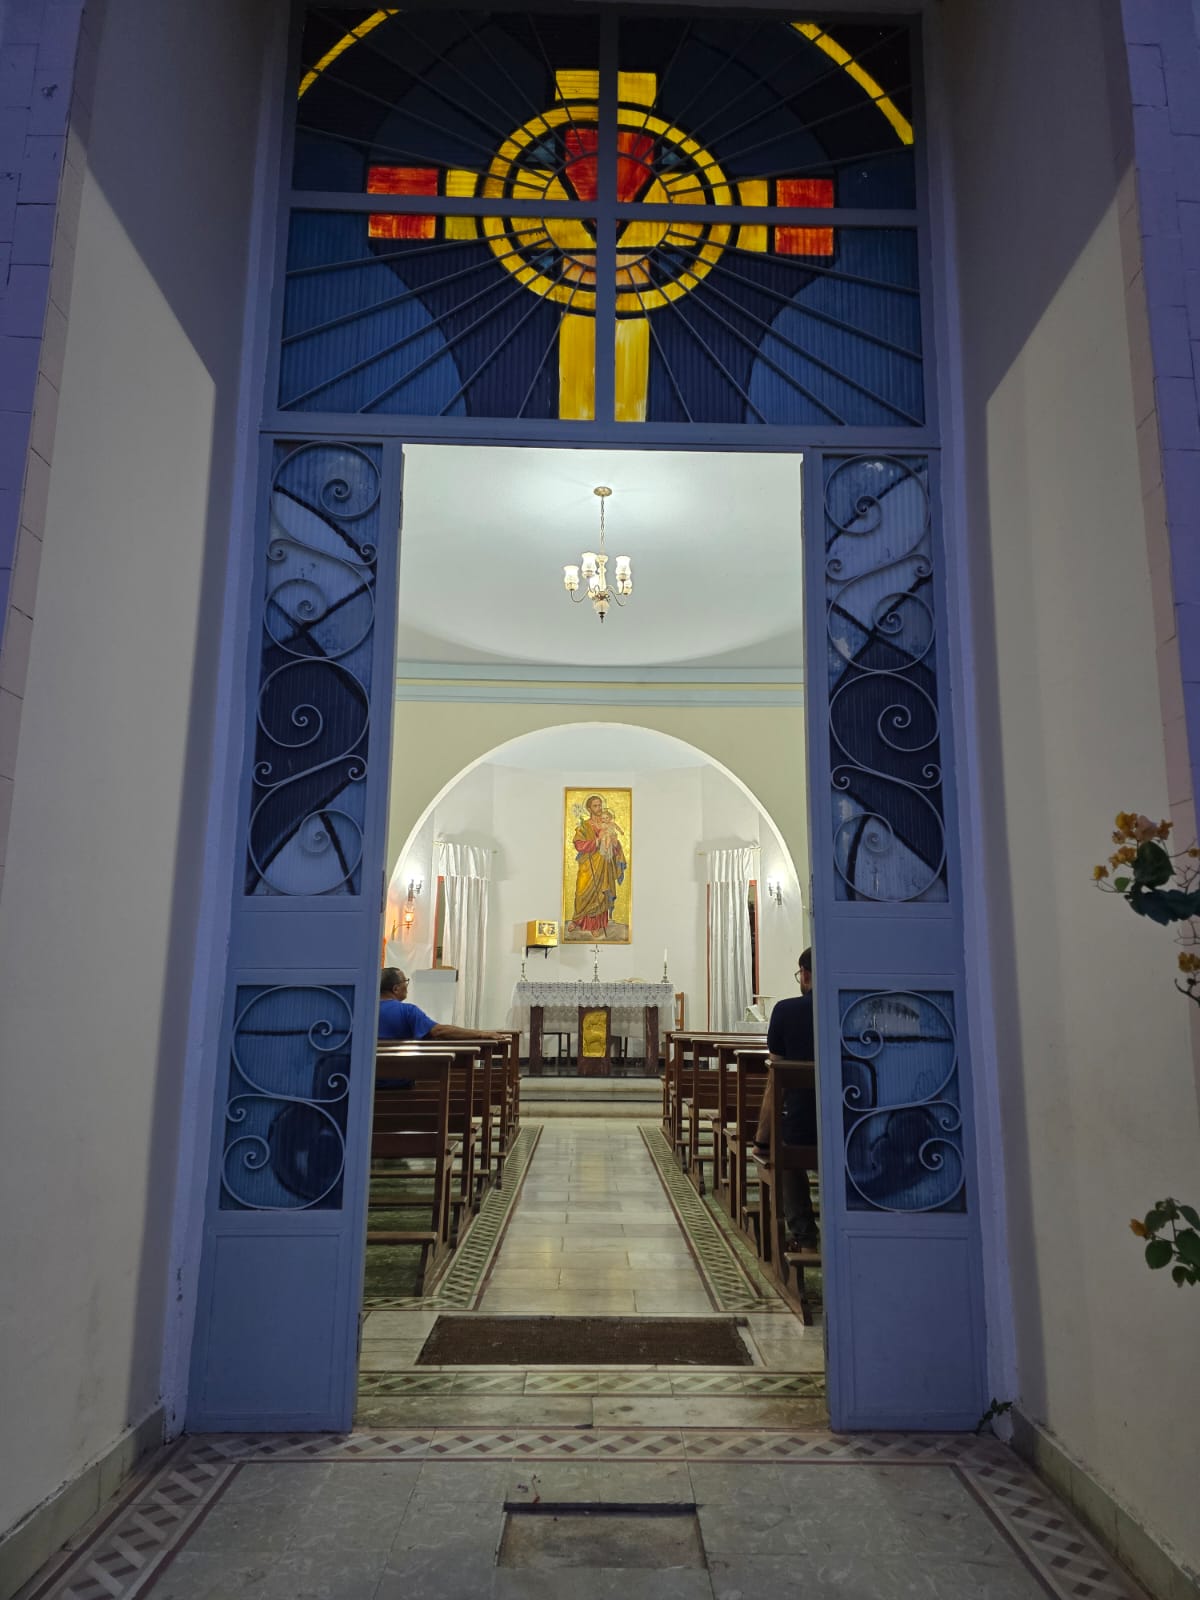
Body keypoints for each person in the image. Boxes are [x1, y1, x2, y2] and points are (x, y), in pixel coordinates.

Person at [754, 948, 819, 1251]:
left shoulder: (786, 1011)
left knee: (786, 1148)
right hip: (853, 1122)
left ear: (804, 975)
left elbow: (775, 1081)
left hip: (802, 1124)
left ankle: (805, 1236)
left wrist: (762, 1138)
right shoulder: (854, 1009)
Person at [379, 967, 506, 1042]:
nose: (407, 986)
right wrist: (481, 1034)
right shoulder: (407, 1011)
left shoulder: (368, 1011)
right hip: (399, 1076)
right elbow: (439, 1031)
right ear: (396, 989)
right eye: (405, 981)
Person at [566, 793, 626, 939]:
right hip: (588, 865)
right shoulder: (585, 825)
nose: (599, 808)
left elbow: (616, 846)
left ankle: (595, 925)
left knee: (601, 894)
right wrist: (596, 842)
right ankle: (578, 919)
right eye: (595, 806)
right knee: (581, 892)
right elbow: (578, 844)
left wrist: (614, 843)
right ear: (589, 808)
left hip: (604, 865)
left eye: (600, 805)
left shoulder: (608, 823)